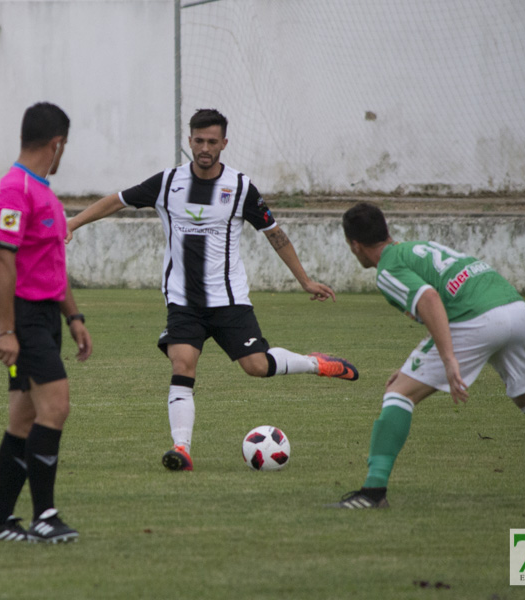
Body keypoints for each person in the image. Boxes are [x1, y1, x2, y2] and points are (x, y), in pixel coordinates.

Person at [65, 108, 357, 472]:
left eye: (212, 142)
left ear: (224, 144)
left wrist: (304, 280)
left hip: (229, 300)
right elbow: (118, 199)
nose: (205, 148)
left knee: (256, 366)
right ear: (189, 141)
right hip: (183, 302)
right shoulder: (168, 183)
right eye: (199, 140)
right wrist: (73, 222)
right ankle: (181, 448)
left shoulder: (240, 187)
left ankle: (315, 363)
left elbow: (274, 234)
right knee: (183, 363)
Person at [329, 202, 525, 508]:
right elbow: (445, 300)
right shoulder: (417, 248)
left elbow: (429, 299)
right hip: (515, 308)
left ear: (354, 244)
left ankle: (372, 493)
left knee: (398, 394)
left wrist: (450, 360)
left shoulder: (388, 270)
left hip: (477, 319)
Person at [0, 102, 92, 543]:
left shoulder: (41, 190)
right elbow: (2, 259)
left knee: (24, 420)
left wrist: (74, 317)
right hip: (22, 317)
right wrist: (7, 330)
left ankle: (0, 522)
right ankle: (44, 515)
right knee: (56, 406)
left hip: (45, 314)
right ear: (57, 143)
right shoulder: (15, 190)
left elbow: (49, 262)